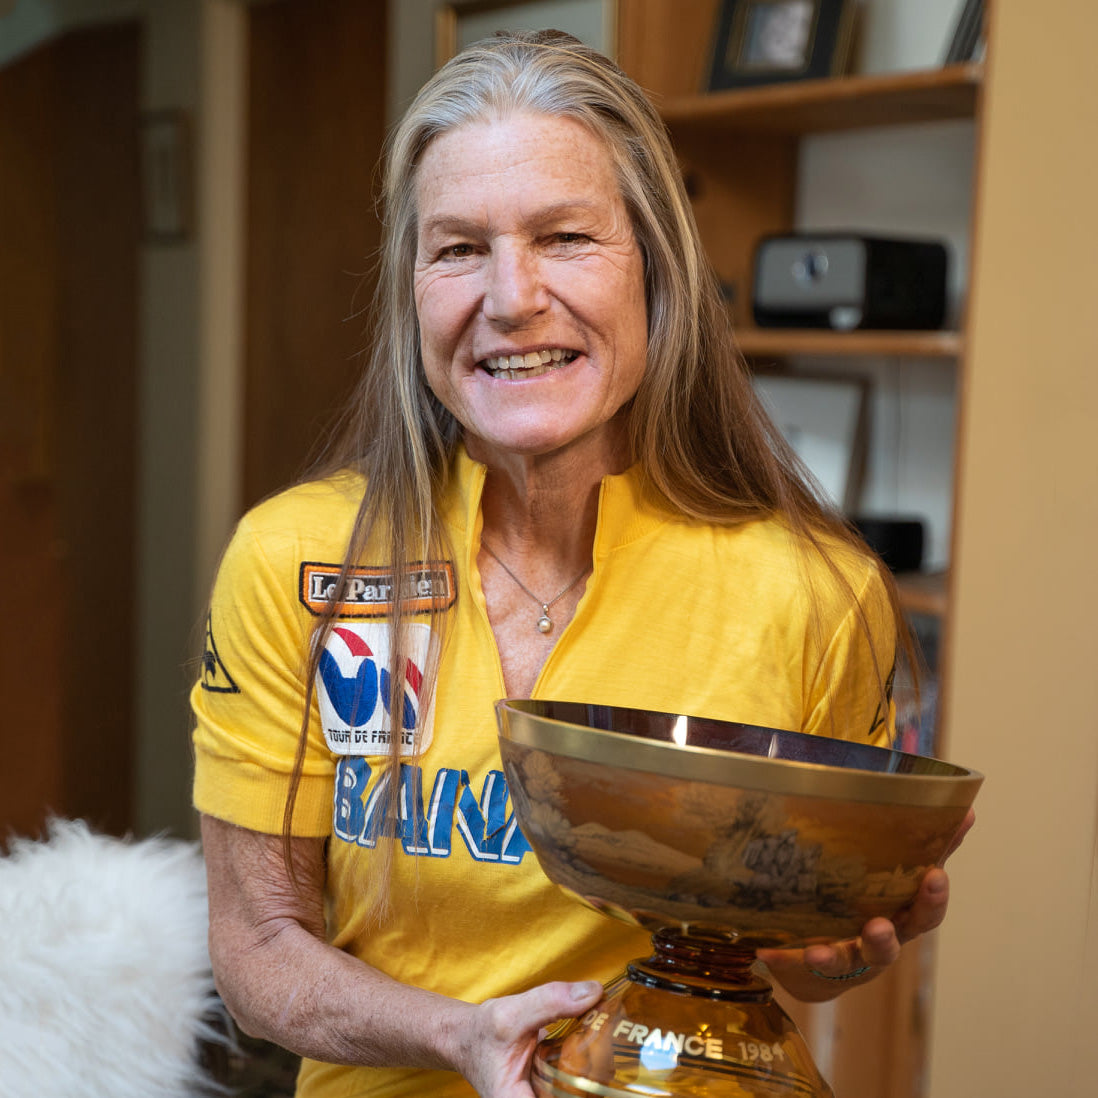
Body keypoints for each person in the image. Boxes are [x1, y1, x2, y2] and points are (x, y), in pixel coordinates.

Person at [192, 30, 967, 1098]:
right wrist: (460, 1035)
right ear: (411, 288)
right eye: (459, 249)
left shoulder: (814, 594)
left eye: (564, 237)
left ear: (655, 267)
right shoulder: (293, 560)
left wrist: (835, 944)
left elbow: (799, 958)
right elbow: (257, 950)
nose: (512, 297)